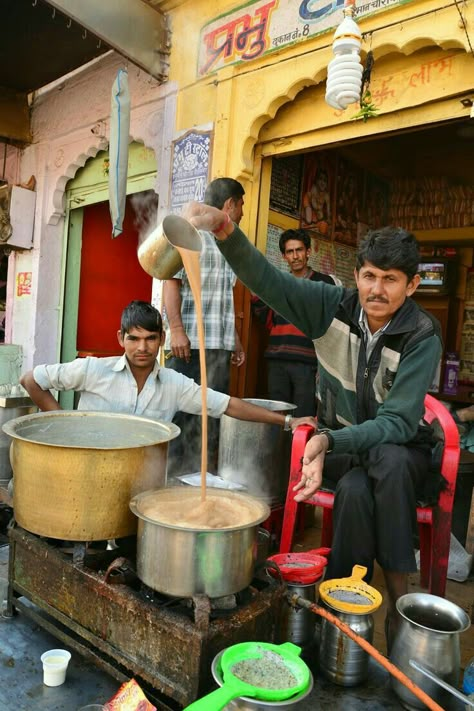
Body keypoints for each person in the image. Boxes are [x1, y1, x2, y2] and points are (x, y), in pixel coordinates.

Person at [182, 202, 443, 649]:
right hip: (348, 454)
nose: (376, 289)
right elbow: (270, 282)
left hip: (401, 458)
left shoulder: (422, 334)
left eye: (390, 279)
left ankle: (394, 595)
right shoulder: (330, 307)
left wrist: (326, 438)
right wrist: (225, 229)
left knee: (390, 460)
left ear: (412, 284)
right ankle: (348, 609)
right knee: (357, 488)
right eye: (369, 276)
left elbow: (399, 422)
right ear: (357, 275)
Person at [20, 300, 314, 436]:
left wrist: (287, 422)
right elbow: (30, 379)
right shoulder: (93, 370)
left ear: (162, 340)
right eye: (133, 339)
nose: (142, 347)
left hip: (142, 480)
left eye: (150, 339)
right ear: (121, 339)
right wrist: (62, 425)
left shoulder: (174, 384)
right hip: (87, 469)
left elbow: (228, 405)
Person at [163, 177, 246, 475]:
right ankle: (171, 482)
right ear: (229, 205)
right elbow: (170, 282)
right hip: (189, 346)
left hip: (218, 347)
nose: (242, 215)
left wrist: (234, 338)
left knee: (211, 416)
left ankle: (199, 482)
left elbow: (222, 297)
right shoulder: (190, 233)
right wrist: (176, 330)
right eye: (241, 207)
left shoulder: (230, 245)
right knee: (180, 417)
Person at [251, 228, 337, 417]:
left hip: (307, 363)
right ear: (284, 256)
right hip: (277, 360)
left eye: (299, 250)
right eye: (290, 252)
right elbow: (265, 315)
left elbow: (332, 325)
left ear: (308, 252)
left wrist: (323, 367)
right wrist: (256, 287)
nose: (295, 256)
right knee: (277, 416)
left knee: (304, 417)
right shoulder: (278, 283)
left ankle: (300, 449)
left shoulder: (324, 283)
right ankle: (278, 449)